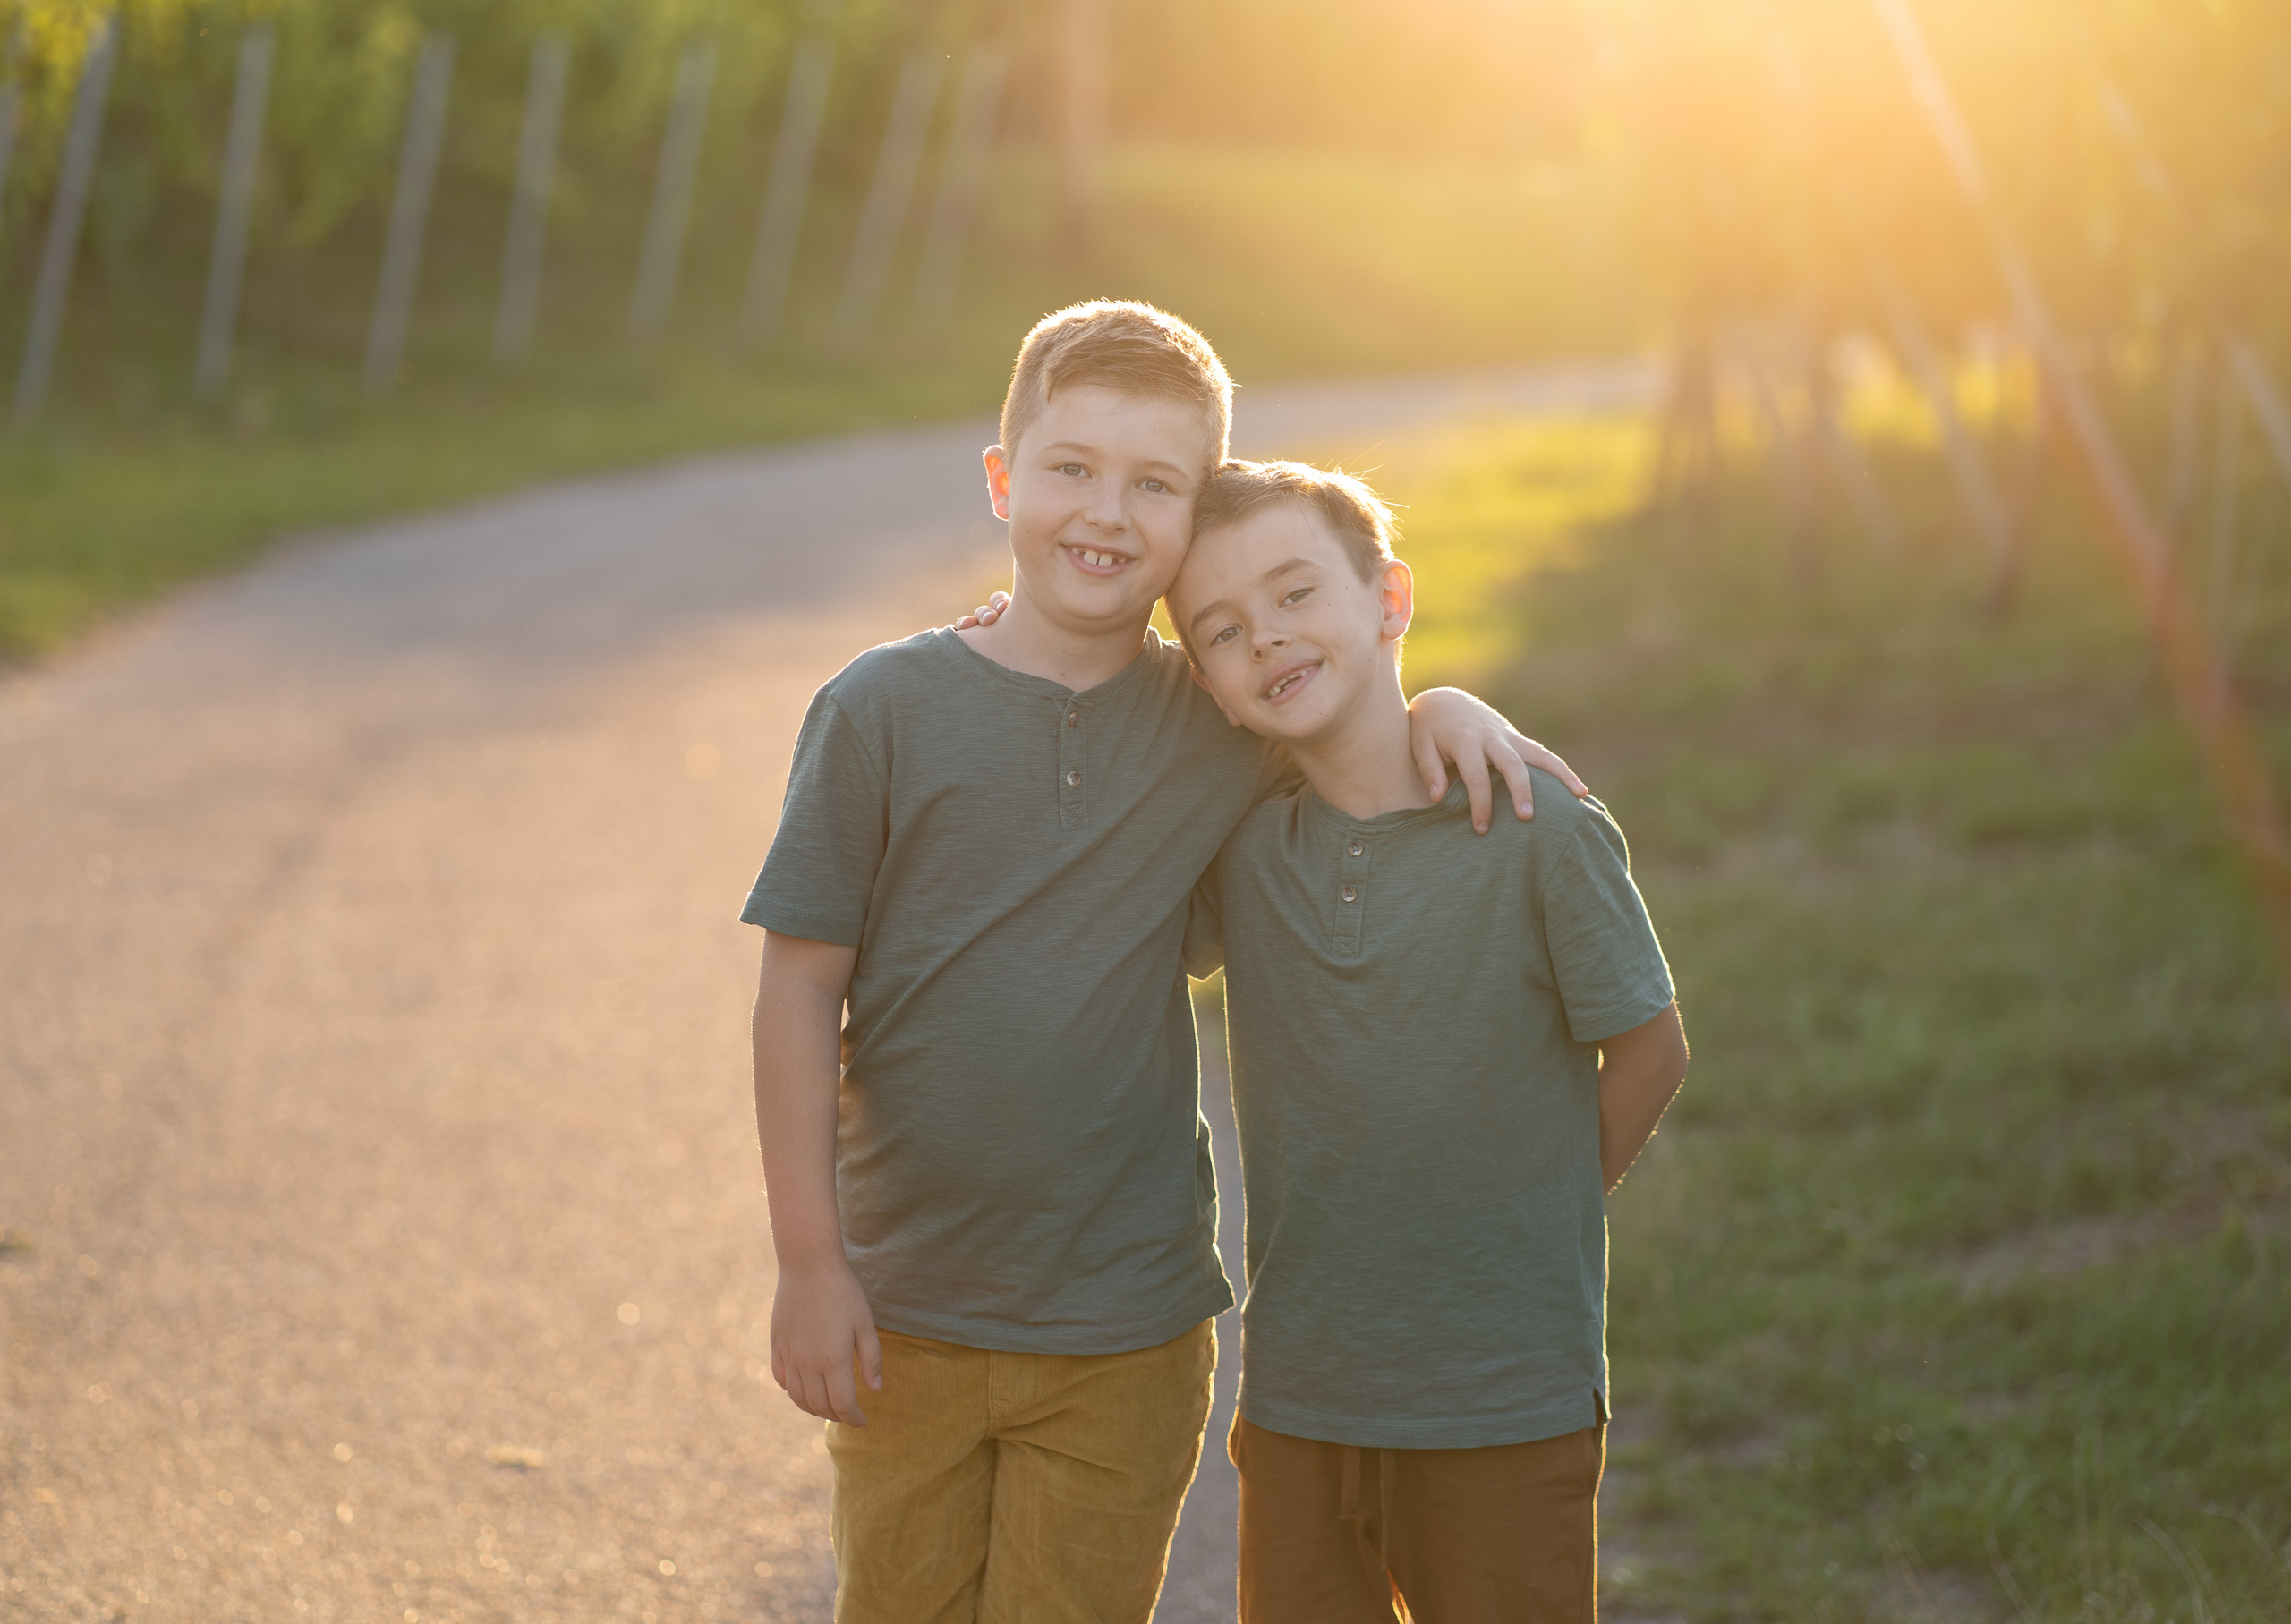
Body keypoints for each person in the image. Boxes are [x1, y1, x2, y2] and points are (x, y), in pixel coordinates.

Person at [743, 300, 1586, 1624]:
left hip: (1126, 1325)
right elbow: (798, 986)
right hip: (905, 1302)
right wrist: (809, 1262)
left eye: (1159, 486)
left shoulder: (1217, 722)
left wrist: (1442, 699)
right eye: (1073, 468)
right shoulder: (879, 711)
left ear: (1196, 518)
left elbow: (1349, 712)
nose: (1108, 512)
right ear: (1002, 479)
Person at [1170, 459, 1689, 1624]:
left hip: (1503, 1400)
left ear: (1390, 598)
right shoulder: (1245, 851)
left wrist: (1536, 1200)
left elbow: (1652, 1050)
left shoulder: (1536, 827)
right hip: (1302, 1398)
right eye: (1224, 631)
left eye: (1298, 594)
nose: (1268, 639)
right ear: (1206, 683)